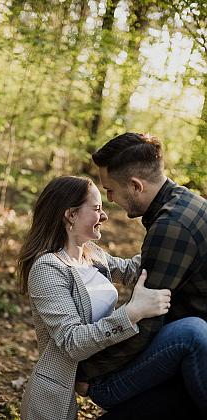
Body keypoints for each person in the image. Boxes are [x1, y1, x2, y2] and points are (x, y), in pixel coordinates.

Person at [18, 175, 207, 420]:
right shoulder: (48, 268)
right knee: (190, 333)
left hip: (116, 358)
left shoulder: (91, 253)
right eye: (97, 209)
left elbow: (133, 270)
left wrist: (183, 236)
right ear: (70, 215)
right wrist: (131, 313)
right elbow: (72, 342)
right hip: (99, 375)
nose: (105, 216)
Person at [75, 131, 207, 415]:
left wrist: (88, 372)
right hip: (192, 351)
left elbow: (147, 317)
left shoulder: (170, 227)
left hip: (197, 350)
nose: (109, 200)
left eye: (110, 190)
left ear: (136, 186)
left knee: (101, 388)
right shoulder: (189, 203)